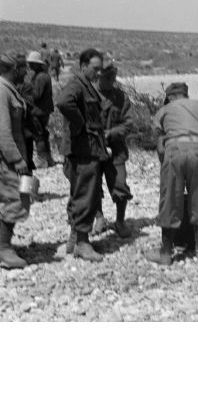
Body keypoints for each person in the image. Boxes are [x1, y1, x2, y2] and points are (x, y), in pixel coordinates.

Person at [146, 82, 198, 266]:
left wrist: (165, 164)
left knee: (169, 201)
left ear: (169, 97)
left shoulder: (165, 110)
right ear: (186, 94)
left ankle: (166, 254)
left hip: (174, 150)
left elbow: (160, 147)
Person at [56, 48, 109, 262]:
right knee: (86, 194)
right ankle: (83, 243)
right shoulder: (78, 85)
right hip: (83, 150)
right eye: (95, 69)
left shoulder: (86, 86)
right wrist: (80, 124)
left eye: (100, 69)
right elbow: (62, 102)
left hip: (87, 148)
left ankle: (74, 237)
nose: (98, 73)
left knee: (79, 193)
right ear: (83, 66)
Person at [92, 62, 133, 238]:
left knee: (120, 185)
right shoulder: (89, 95)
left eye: (113, 78)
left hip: (115, 149)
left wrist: (112, 133)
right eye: (106, 77)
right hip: (92, 149)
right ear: (98, 76)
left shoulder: (121, 97)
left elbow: (129, 123)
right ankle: (99, 217)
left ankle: (120, 220)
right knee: (92, 186)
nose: (110, 81)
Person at [0, 53, 32, 269]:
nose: (26, 73)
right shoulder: (2, 91)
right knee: (14, 199)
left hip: (14, 157)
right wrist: (16, 159)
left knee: (16, 196)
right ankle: (4, 248)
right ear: (15, 69)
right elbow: (3, 131)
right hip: (9, 160)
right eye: (24, 69)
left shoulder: (9, 89)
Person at [26, 51, 56, 167]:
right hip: (43, 110)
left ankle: (43, 160)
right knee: (43, 133)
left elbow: (37, 95)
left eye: (32, 63)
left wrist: (25, 94)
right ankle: (49, 160)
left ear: (37, 64)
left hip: (38, 111)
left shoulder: (40, 77)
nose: (29, 65)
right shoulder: (42, 75)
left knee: (38, 135)